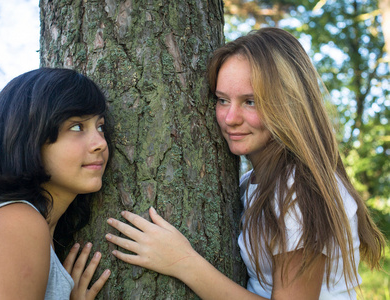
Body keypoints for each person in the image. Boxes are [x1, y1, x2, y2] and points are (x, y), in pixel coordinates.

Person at [104, 27, 385, 299]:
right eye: (222, 100)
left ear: (289, 104)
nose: (230, 118)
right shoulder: (253, 183)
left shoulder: (298, 190)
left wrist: (182, 262)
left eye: (250, 102)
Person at [0, 68, 112, 299]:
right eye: (76, 127)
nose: (100, 142)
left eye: (99, 126)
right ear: (29, 135)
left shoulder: (3, 218)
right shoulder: (17, 224)